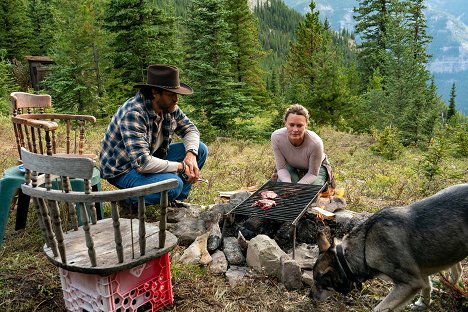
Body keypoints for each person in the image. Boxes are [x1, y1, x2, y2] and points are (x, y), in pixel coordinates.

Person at [99, 64, 208, 206]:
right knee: (174, 184)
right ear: (155, 92)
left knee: (200, 149)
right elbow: (142, 163)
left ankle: (175, 202)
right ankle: (126, 200)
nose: (176, 99)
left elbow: (190, 129)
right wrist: (181, 166)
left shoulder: (169, 106)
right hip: (124, 170)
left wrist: (190, 155)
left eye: (177, 94)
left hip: (150, 157)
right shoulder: (134, 113)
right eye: (171, 94)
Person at [271, 104, 334, 189]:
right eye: (291, 125)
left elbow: (312, 173)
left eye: (299, 125)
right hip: (292, 165)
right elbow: (281, 168)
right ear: (285, 123)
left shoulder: (315, 142)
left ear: (306, 125)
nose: (295, 130)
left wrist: (298, 187)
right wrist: (288, 185)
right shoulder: (277, 137)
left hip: (316, 169)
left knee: (308, 192)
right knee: (283, 188)